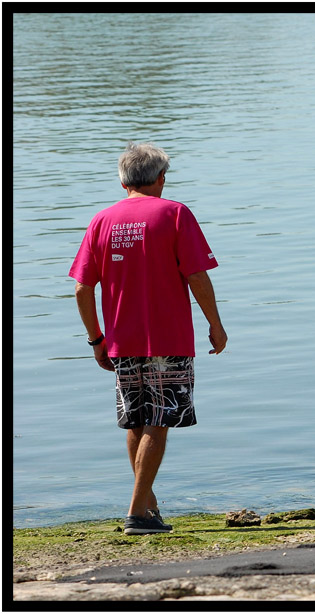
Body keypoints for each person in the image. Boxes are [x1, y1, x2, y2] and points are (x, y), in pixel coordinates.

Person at [69, 142, 227, 534]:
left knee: (136, 422)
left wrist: (95, 339)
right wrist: (216, 323)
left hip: (122, 341)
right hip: (168, 339)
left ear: (123, 180)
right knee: (158, 423)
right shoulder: (174, 213)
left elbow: (81, 288)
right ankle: (137, 513)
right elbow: (196, 276)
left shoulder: (102, 221)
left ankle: (148, 505)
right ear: (160, 178)